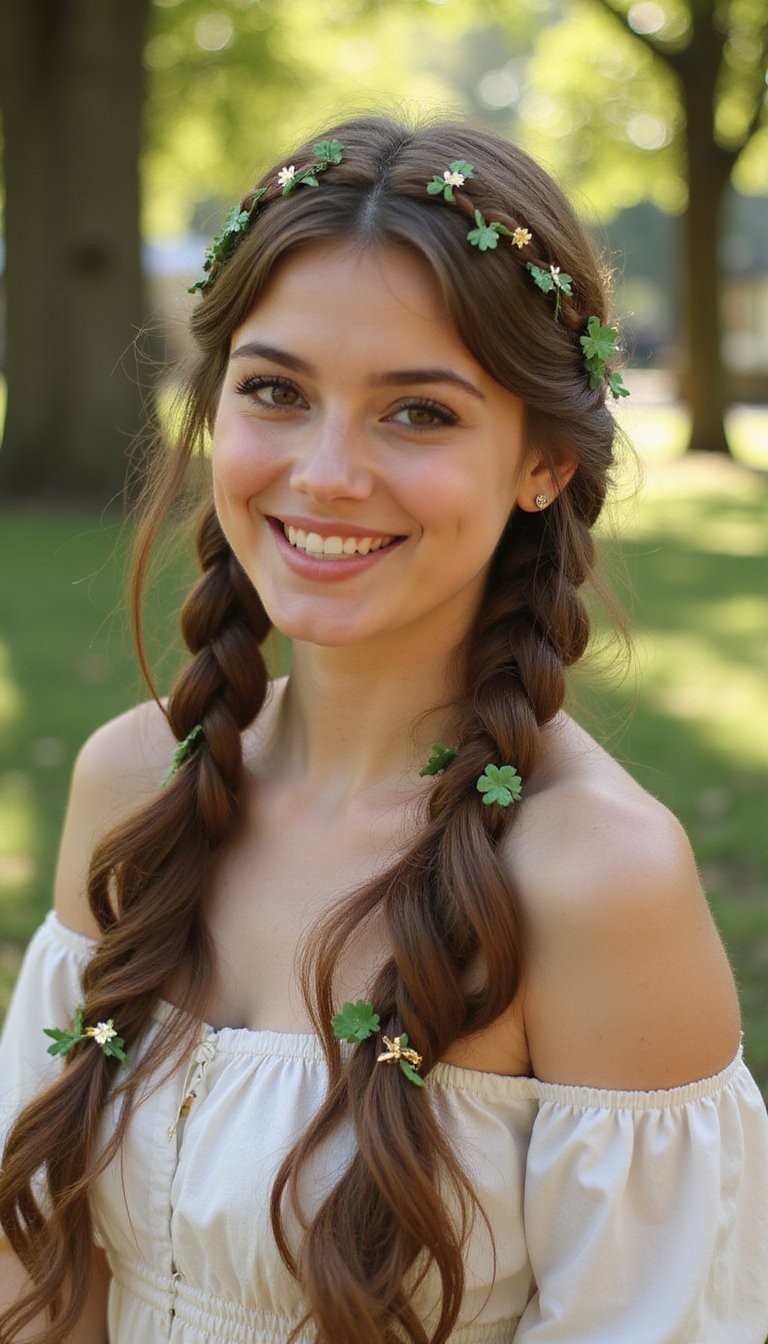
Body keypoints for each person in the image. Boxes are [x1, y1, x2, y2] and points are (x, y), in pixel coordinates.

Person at [1, 114, 767, 1344]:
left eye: (417, 412)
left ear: (543, 462)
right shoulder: (133, 782)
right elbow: (39, 1272)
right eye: (276, 391)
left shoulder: (598, 884)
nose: (326, 472)